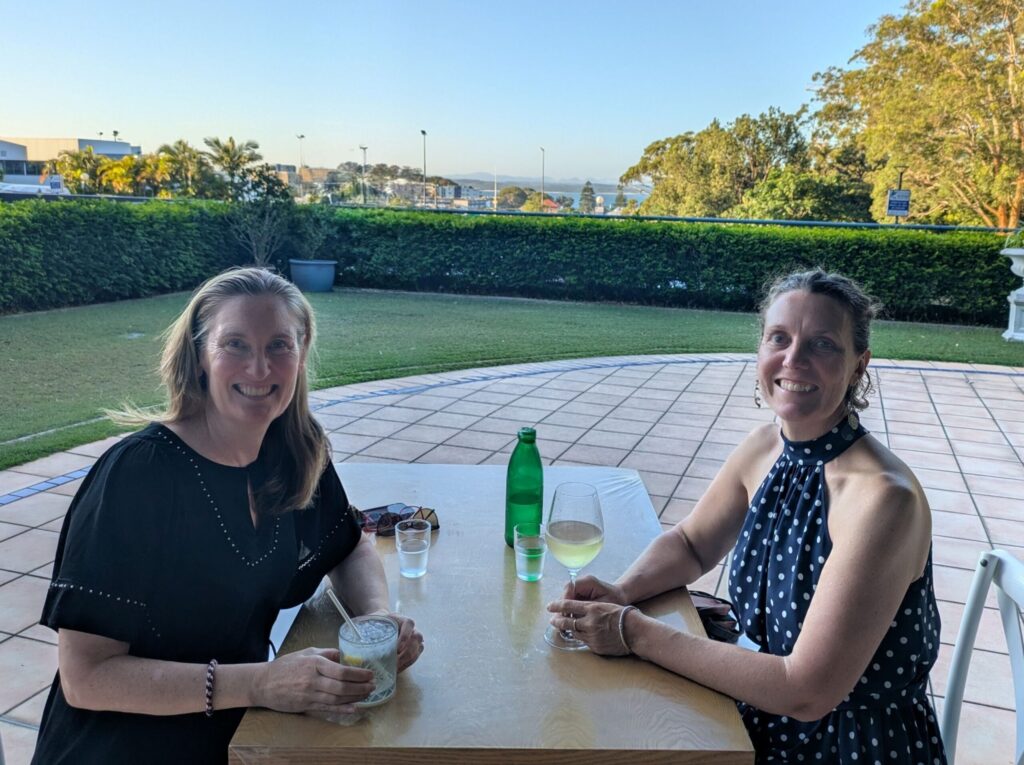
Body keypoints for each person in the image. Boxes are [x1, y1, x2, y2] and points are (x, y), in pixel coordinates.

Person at [548, 270, 945, 764]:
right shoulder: (766, 446)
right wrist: (623, 592)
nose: (793, 360)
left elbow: (806, 690)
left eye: (822, 344)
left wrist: (632, 631)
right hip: (759, 711)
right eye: (779, 338)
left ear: (858, 364)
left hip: (846, 745)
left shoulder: (883, 499)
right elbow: (693, 543)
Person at [32, 267, 424, 764]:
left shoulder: (296, 452)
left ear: (301, 355)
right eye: (234, 344)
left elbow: (350, 545)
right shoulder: (138, 475)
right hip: (118, 748)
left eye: (279, 345)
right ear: (199, 357)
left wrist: (375, 621)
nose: (259, 369)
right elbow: (87, 678)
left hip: (237, 739)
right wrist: (261, 682)